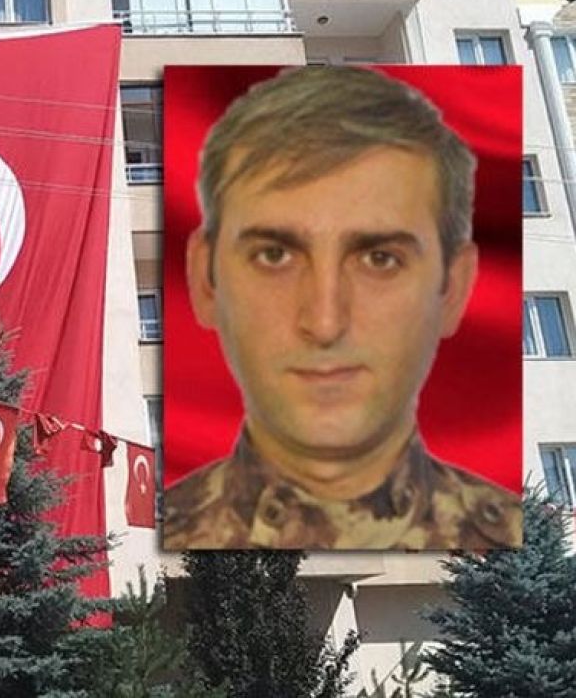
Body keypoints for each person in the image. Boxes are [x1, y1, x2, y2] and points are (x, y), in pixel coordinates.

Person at [160, 66, 521, 551]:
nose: (325, 323)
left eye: (380, 259)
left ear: (453, 288)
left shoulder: (504, 537)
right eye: (274, 255)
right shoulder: (163, 531)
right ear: (205, 278)